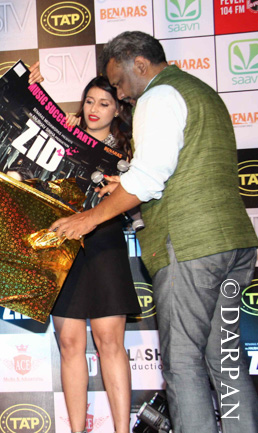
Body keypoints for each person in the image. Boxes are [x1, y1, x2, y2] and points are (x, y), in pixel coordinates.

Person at [50, 31, 258, 433]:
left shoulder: (158, 96)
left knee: (183, 362)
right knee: (226, 361)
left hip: (192, 248)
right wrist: (125, 185)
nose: (120, 93)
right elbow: (183, 164)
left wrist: (88, 219)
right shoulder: (203, 92)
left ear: (140, 64)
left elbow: (148, 179)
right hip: (234, 245)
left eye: (118, 82)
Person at [49, 76, 139, 433]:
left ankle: (121, 429)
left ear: (117, 109)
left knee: (109, 342)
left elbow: (138, 203)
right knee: (70, 343)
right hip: (65, 247)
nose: (94, 109)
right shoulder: (63, 138)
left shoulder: (128, 153)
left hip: (105, 245)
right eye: (89, 101)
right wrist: (63, 135)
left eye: (104, 103)